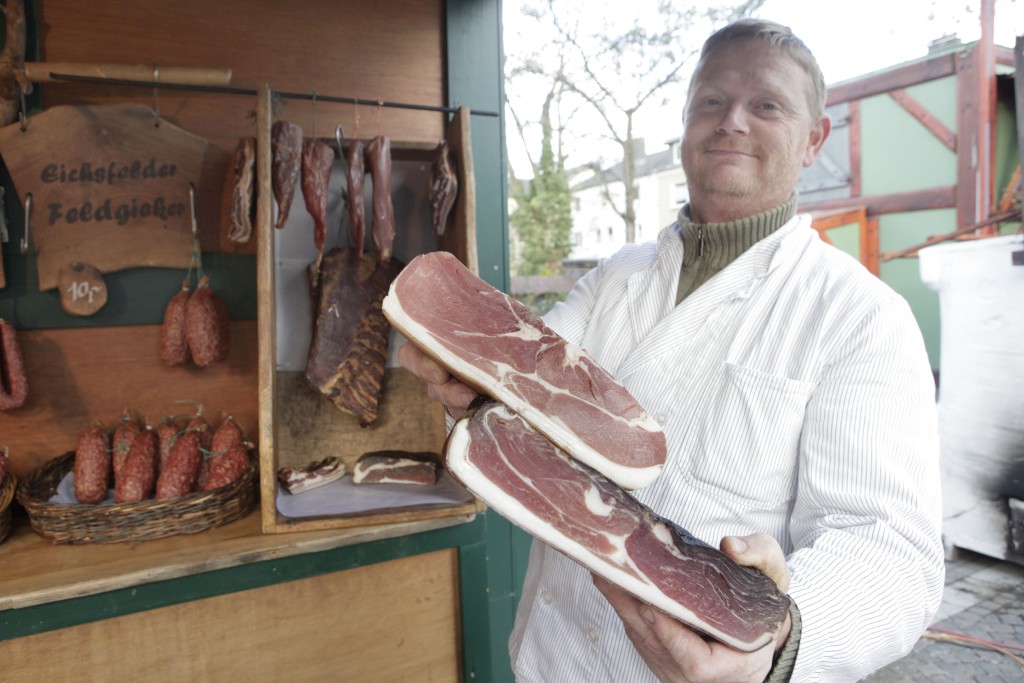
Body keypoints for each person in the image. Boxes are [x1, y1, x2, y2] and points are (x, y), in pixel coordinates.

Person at [399, 18, 944, 682]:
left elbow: (890, 548)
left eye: (767, 105)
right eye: (711, 100)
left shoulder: (860, 316)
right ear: (685, 123)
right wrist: (466, 379)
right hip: (549, 661)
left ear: (814, 139)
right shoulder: (616, 275)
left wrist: (782, 639)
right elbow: (527, 390)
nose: (732, 121)